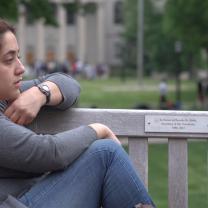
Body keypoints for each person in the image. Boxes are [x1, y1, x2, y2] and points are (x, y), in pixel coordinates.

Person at [0, 19, 156, 208]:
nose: (21, 67)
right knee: (106, 153)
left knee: (106, 154)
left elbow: (69, 84)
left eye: (19, 56)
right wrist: (97, 129)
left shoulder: (7, 96)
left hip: (29, 196)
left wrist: (40, 93)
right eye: (9, 60)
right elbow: (49, 153)